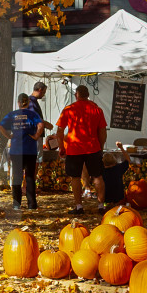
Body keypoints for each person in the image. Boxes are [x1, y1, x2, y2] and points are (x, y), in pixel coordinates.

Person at [55, 83, 108, 213]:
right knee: (97, 176)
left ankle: (79, 206)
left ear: (76, 95)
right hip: (93, 148)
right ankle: (101, 206)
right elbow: (102, 132)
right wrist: (100, 146)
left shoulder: (69, 109)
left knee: (75, 177)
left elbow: (59, 131)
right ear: (88, 95)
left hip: (74, 149)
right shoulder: (97, 110)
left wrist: (61, 147)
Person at [0, 92, 41, 212]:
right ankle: (32, 205)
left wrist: (9, 136)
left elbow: (1, 127)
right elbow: (41, 125)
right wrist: (36, 136)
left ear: (18, 103)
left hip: (16, 150)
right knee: (29, 177)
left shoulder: (12, 115)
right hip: (30, 150)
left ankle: (16, 204)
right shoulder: (33, 114)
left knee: (17, 177)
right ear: (28, 102)